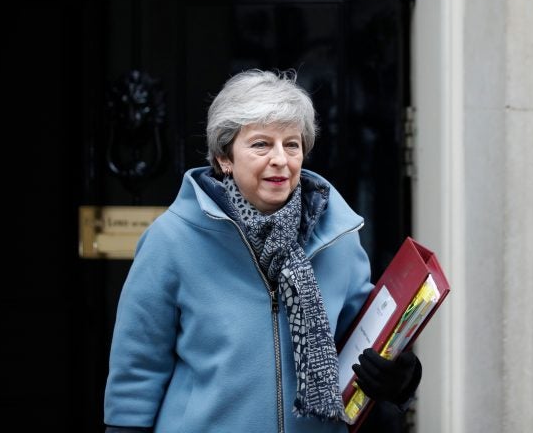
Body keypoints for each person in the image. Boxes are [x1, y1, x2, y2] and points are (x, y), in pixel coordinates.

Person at [104, 69, 422, 432]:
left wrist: (400, 376)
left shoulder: (338, 238)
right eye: (260, 144)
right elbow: (137, 368)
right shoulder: (172, 239)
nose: (280, 159)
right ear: (225, 157)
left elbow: (367, 340)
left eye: (292, 144)